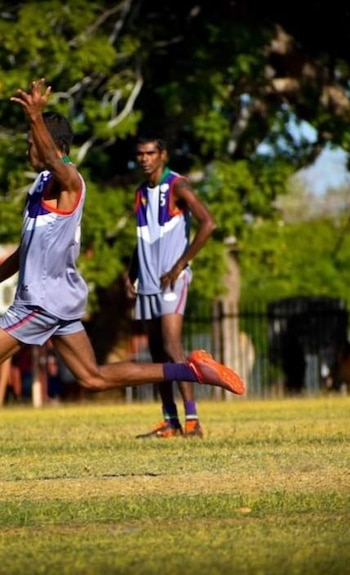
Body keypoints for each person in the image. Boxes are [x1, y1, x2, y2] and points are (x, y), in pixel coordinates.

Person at [0, 78, 245, 489]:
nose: (27, 150)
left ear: (48, 144)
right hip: (58, 300)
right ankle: (191, 370)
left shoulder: (71, 182)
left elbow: (53, 158)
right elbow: (25, 249)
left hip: (39, 303)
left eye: (31, 142)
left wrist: (34, 116)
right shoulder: (38, 188)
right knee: (93, 377)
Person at [124, 135, 217, 439]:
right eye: (140, 154)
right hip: (148, 280)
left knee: (171, 345)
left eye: (150, 153)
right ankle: (170, 421)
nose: (144, 159)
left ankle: (193, 420)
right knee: (156, 354)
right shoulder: (139, 193)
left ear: (162, 155)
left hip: (172, 279)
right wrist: (131, 273)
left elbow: (208, 223)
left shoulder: (177, 185)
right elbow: (143, 239)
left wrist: (179, 266)